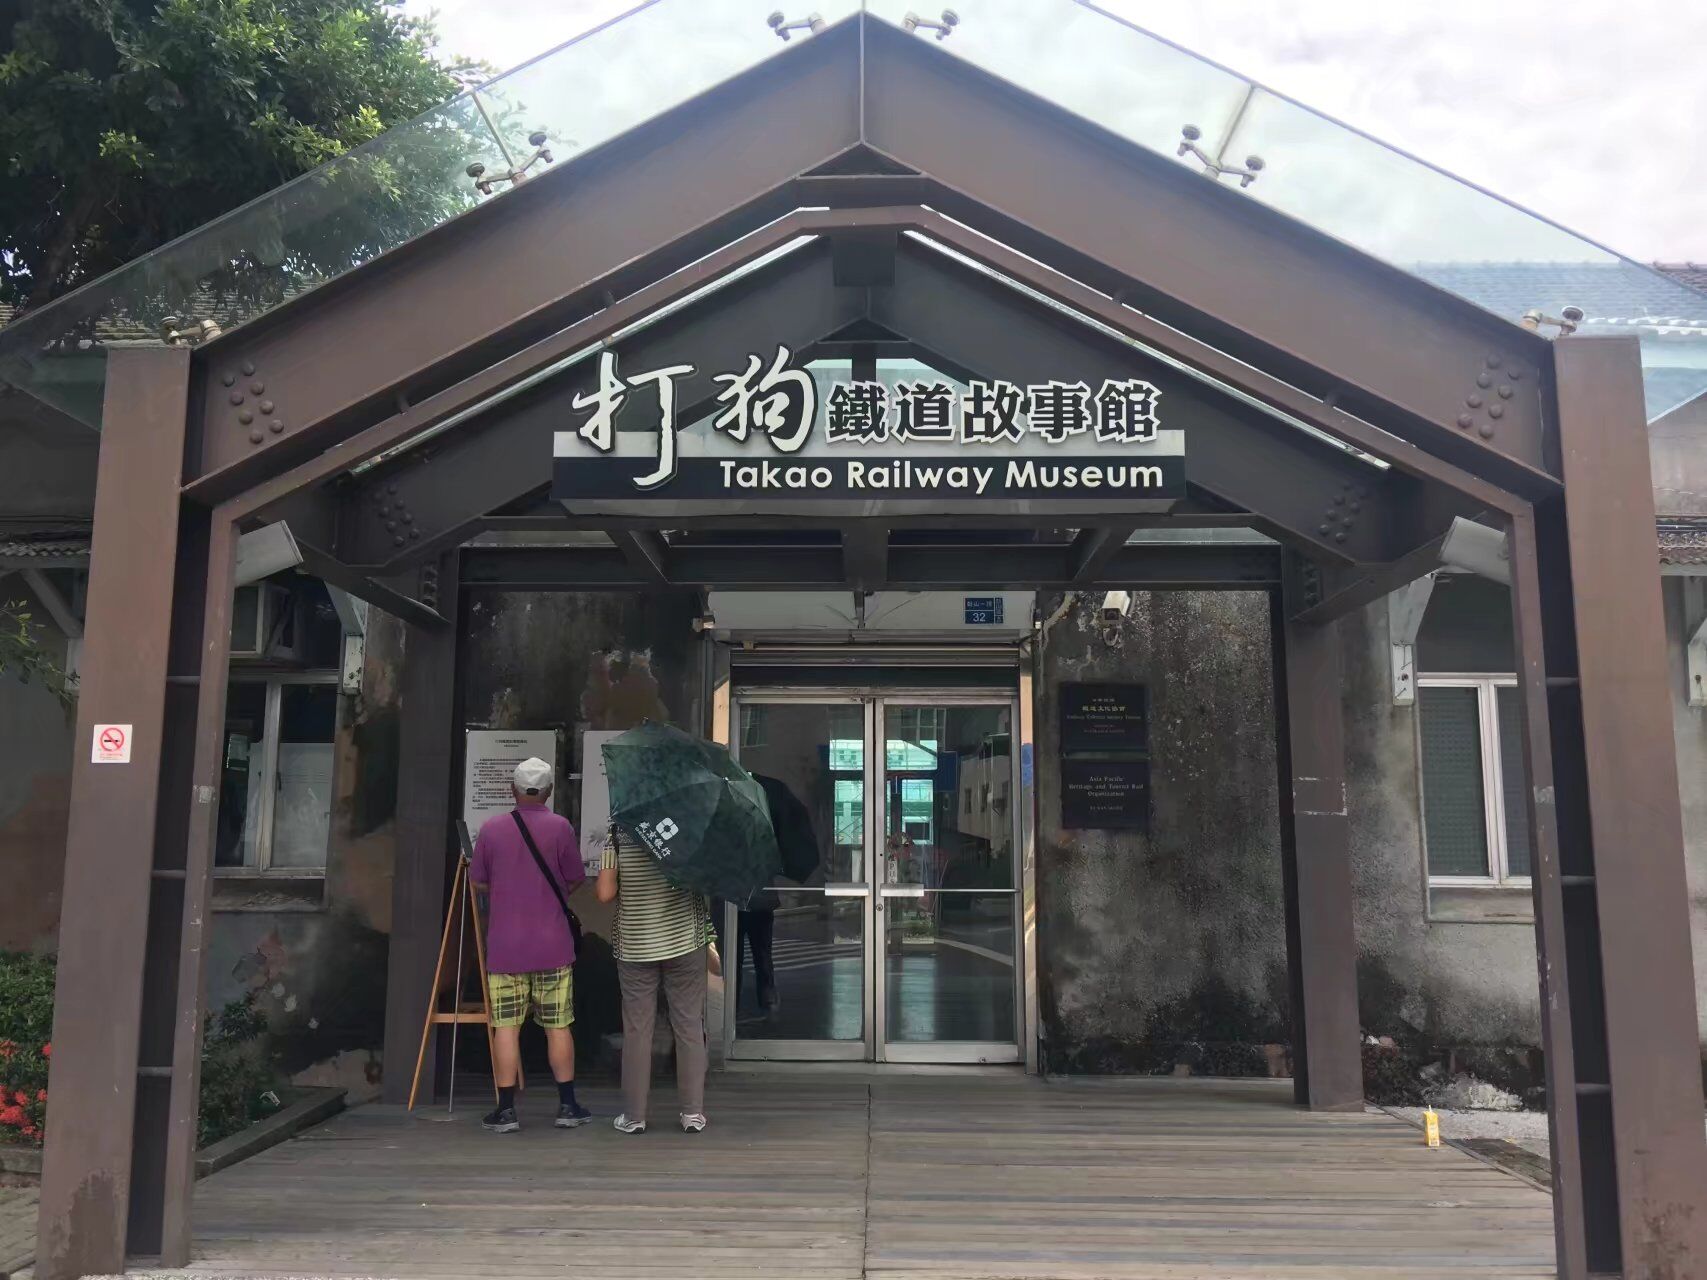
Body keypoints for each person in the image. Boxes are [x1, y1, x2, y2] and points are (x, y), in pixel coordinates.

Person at [469, 757, 590, 1134]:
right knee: (558, 1026)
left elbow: (479, 881)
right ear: (550, 791)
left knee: (505, 1027)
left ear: (513, 790)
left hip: (505, 947)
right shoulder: (560, 827)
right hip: (553, 945)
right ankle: (567, 1105)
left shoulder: (491, 830)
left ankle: (506, 1111)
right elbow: (575, 879)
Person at [596, 820, 714, 1134]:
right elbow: (706, 881)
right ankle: (693, 1114)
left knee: (637, 1029)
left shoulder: (618, 831)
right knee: (689, 1024)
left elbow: (605, 893)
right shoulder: (691, 828)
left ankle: (634, 1116)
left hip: (635, 944)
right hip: (684, 941)